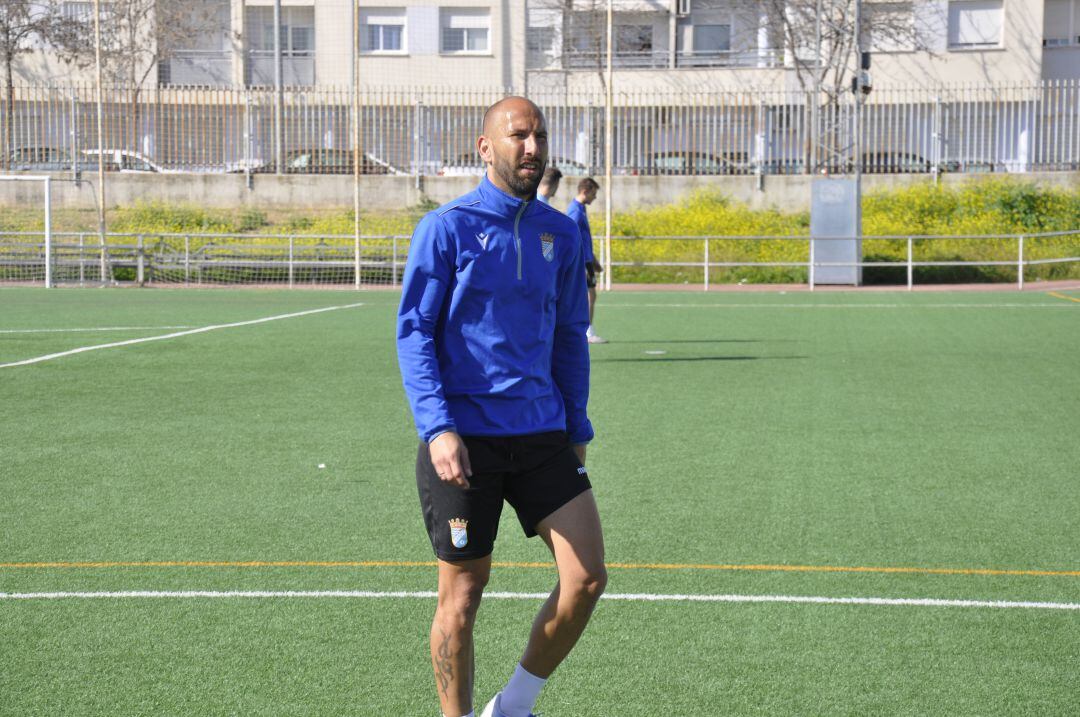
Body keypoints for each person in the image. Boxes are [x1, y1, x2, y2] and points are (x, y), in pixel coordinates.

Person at [396, 96, 607, 717]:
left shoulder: (559, 232)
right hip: (465, 441)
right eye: (519, 135)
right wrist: (438, 428)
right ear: (486, 148)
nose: (533, 147)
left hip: (543, 432)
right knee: (462, 595)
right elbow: (414, 333)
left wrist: (577, 425)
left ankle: (512, 706)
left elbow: (570, 334)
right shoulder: (447, 228)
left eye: (540, 135)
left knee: (587, 578)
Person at [566, 178, 606, 344]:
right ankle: (587, 331)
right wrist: (579, 262)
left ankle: (586, 329)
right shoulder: (575, 211)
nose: (595, 198)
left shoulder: (580, 208)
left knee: (591, 295)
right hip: (582, 261)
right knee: (588, 295)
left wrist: (594, 259)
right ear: (585, 191)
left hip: (587, 260)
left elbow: (584, 238)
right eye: (594, 194)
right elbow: (571, 237)